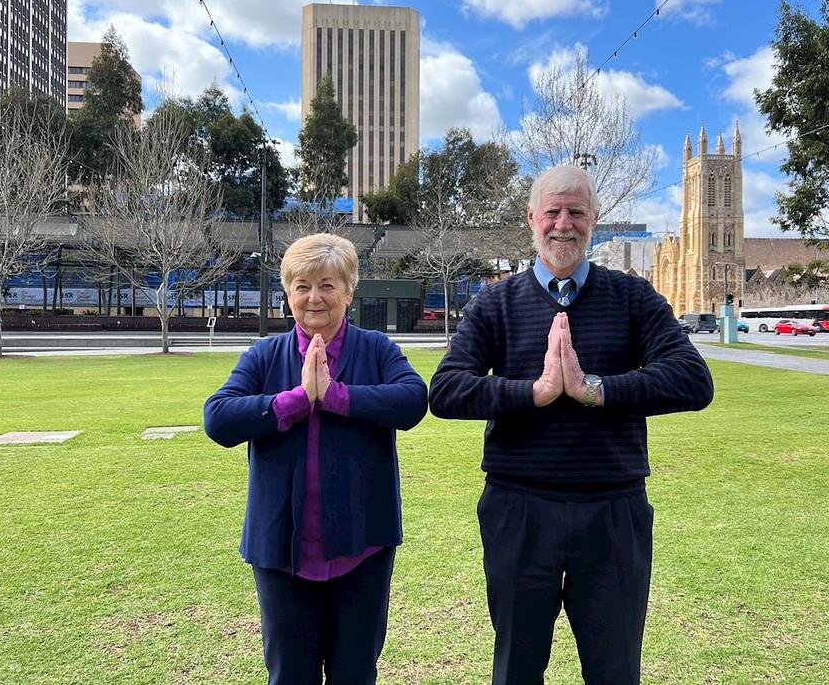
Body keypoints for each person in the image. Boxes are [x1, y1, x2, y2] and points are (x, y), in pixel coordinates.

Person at [429, 165, 714, 685]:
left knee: (614, 670)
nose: (564, 224)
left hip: (612, 511)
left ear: (595, 220)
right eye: (553, 211)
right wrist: (533, 393)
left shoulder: (633, 297)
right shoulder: (496, 303)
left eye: (577, 212)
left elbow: (694, 381)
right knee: (516, 668)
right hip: (519, 510)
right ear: (532, 218)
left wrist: (594, 389)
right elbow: (445, 390)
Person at [204, 233, 428, 685]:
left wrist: (336, 396)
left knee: (355, 674)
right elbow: (219, 418)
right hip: (281, 555)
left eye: (328, 284)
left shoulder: (376, 350)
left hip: (361, 550)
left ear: (349, 291)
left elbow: (412, 400)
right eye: (302, 285)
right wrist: (298, 399)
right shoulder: (265, 355)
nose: (314, 297)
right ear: (288, 294)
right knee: (290, 676)